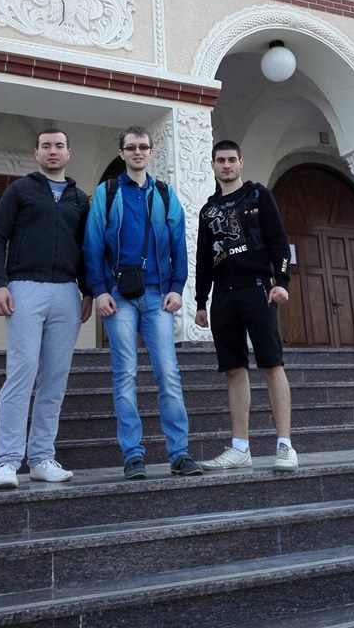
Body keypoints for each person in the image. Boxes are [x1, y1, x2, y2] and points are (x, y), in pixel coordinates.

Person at [83, 125, 202, 480]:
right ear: (121, 153)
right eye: (132, 147)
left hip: (158, 295)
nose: (138, 152)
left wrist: (177, 287)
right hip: (118, 296)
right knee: (125, 375)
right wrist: (99, 289)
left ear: (151, 152)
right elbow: (93, 244)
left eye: (144, 147)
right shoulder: (107, 192)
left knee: (168, 373)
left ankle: (179, 454)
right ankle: (133, 455)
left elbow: (179, 243)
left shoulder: (164, 193)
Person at [0, 128, 93, 489]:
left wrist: (89, 292)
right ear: (36, 153)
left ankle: (42, 457)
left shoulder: (79, 199)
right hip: (24, 288)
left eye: (59, 145)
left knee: (55, 379)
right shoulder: (20, 191)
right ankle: (5, 461)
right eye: (46, 146)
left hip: (67, 292)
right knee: (22, 371)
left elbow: (87, 248)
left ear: (68, 153)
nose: (52, 151)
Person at [195, 140, 297, 471]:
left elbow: (279, 241)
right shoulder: (208, 211)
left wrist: (282, 282)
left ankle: (285, 445)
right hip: (223, 296)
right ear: (213, 165)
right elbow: (203, 260)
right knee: (234, 370)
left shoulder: (258, 195)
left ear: (241, 162)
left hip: (258, 290)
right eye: (220, 160)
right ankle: (240, 448)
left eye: (231, 160)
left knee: (271, 364)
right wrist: (200, 301)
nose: (226, 165)